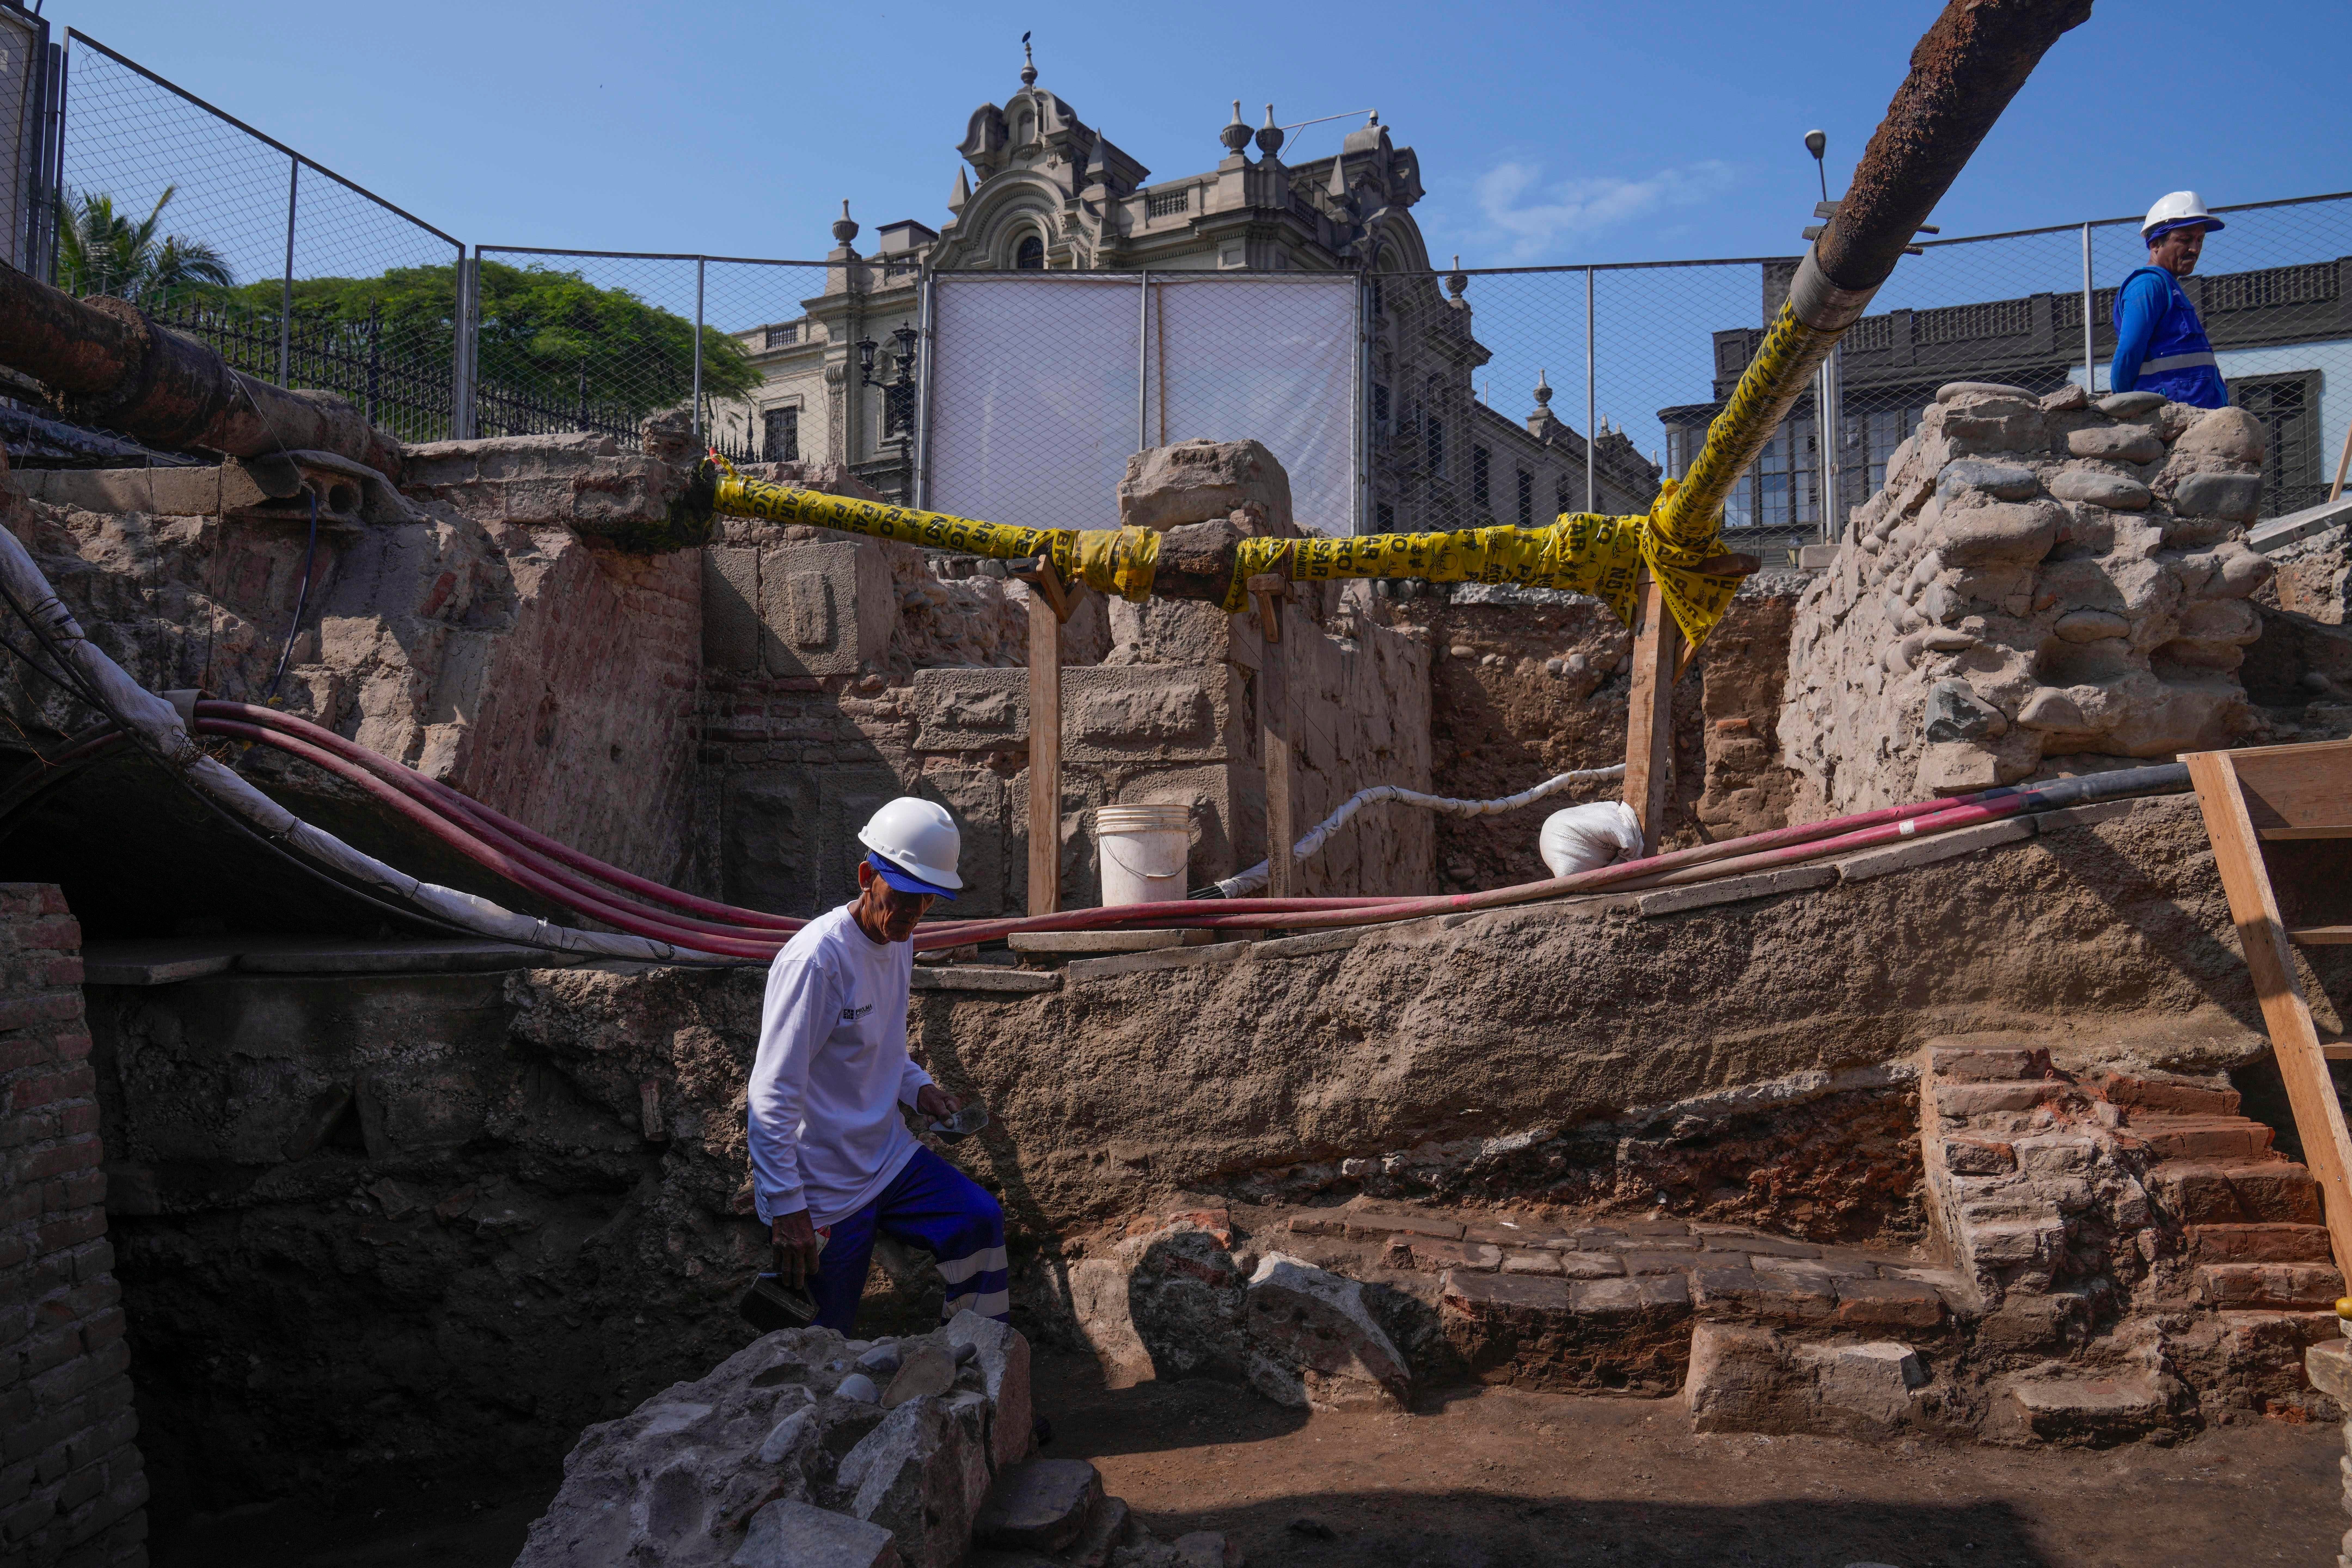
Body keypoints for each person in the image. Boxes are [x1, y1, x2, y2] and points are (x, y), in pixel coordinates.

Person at [746, 797, 1008, 1331]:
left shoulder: (897, 940)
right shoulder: (816, 961)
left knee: (979, 1223)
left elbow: (880, 1044)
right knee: (822, 1343)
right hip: (823, 1188)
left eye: (928, 902)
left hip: (886, 1158)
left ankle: (985, 1374)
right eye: (905, 897)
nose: (914, 915)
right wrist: (788, 1206)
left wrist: (919, 1090)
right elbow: (771, 1096)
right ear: (868, 876)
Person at [2109, 191, 2229, 410]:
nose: (2195, 249)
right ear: (2155, 244)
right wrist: (2124, 405)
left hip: (2196, 417)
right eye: (2185, 240)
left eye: (2200, 240)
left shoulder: (2168, 286)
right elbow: (2129, 351)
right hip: (2173, 422)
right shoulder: (2148, 286)